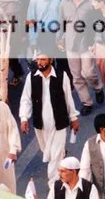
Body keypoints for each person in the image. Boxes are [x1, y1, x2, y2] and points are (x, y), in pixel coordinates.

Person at [19, 54, 79, 186]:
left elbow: (68, 98)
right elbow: (26, 99)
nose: (39, 63)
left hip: (59, 122)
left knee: (55, 156)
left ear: (51, 60)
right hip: (40, 124)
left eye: (43, 59)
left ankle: (54, 185)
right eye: (38, 60)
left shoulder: (62, 76)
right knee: (49, 153)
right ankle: (60, 166)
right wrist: (24, 118)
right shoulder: (31, 77)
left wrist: (73, 117)